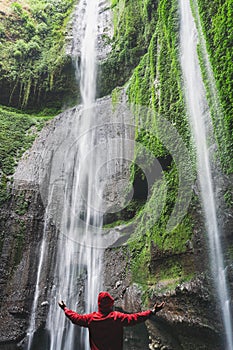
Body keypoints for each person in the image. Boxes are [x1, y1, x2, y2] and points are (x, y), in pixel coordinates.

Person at [58, 291, 165, 350]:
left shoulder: (91, 319)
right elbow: (135, 318)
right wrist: (152, 311)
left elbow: (75, 318)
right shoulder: (116, 317)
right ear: (110, 305)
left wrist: (65, 308)